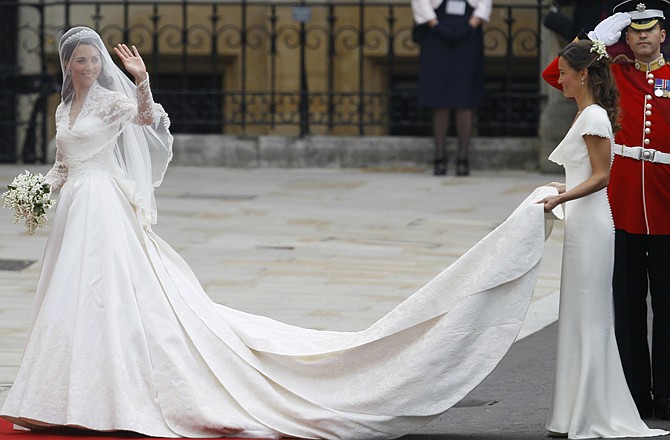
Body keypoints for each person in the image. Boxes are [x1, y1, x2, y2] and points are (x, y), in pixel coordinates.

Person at [0, 26, 610, 440]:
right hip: (76, 208)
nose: (83, 67)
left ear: (97, 65)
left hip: (107, 212)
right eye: (76, 61)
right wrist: (38, 192)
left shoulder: (110, 102)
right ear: (65, 68)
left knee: (111, 296)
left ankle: (108, 393)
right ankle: (62, 392)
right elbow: (62, 162)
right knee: (70, 299)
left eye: (89, 59)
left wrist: (140, 80)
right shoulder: (64, 109)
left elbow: (144, 121)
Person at [543, 0, 670, 421]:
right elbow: (556, 73)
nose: (642, 36)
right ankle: (635, 393)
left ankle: (667, 394)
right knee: (628, 305)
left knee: (668, 307)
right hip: (622, 207)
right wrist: (594, 41)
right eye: (633, 30)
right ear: (625, 37)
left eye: (649, 29)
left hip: (665, 203)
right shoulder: (615, 72)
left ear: (663, 34)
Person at [411, 0, 491, 176]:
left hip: (468, 35)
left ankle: (463, 157)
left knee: (465, 96)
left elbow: (484, 3)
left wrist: (470, 26)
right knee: (440, 96)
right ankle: (440, 156)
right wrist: (436, 26)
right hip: (436, 34)